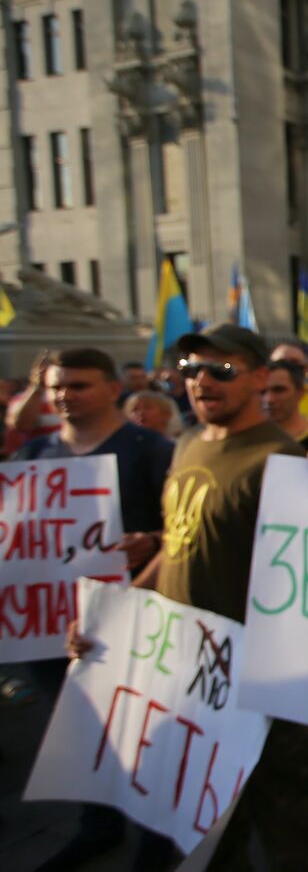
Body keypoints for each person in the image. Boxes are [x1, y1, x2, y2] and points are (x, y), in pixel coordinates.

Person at [67, 325, 308, 871]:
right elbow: (178, 541)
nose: (203, 382)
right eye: (192, 370)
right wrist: (114, 612)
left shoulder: (278, 460)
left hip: (259, 688)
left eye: (223, 370)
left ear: (261, 377)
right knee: (206, 835)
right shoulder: (188, 443)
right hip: (186, 674)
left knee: (291, 831)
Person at [21, 347, 173, 872]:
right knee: (84, 732)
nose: (65, 395)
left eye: (80, 385)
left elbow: (181, 529)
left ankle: (156, 837)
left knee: (143, 734)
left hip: (132, 620)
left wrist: (152, 540)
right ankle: (98, 825)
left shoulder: (148, 449)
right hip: (50, 627)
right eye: (58, 386)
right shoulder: (35, 455)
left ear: (113, 389)